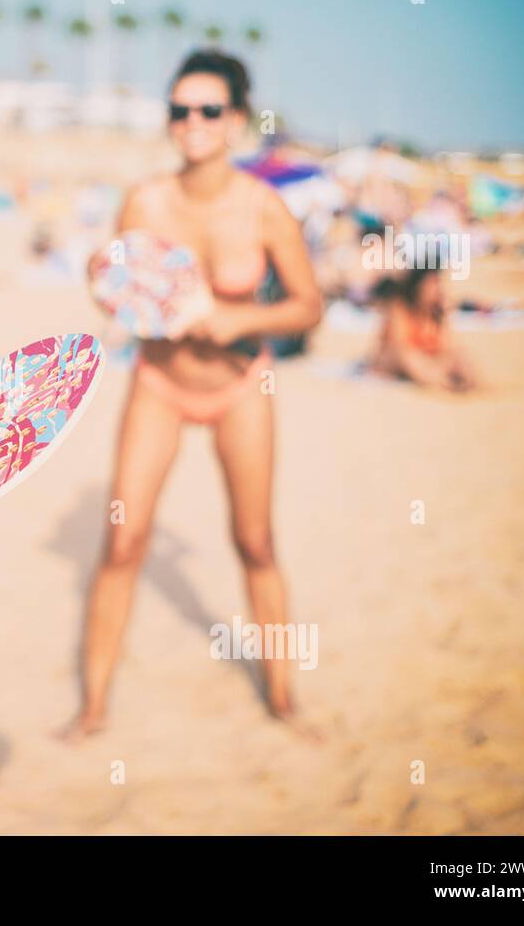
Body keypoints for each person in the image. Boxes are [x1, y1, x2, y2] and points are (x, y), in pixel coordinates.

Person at [67, 50, 323, 739]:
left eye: (208, 109)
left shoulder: (264, 208)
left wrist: (242, 317)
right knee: (123, 541)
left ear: (236, 119)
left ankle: (282, 698)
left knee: (255, 540)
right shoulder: (146, 200)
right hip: (160, 381)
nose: (191, 123)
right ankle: (92, 708)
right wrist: (102, 279)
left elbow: (308, 306)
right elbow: (117, 293)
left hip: (241, 384)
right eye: (179, 110)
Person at [367, 263, 477, 391]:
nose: (437, 289)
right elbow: (400, 343)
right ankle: (442, 383)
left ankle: (466, 382)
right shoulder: (400, 306)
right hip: (397, 361)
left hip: (426, 361)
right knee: (407, 355)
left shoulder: (436, 312)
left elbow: (446, 345)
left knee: (460, 355)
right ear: (418, 286)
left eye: (437, 284)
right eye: (432, 284)